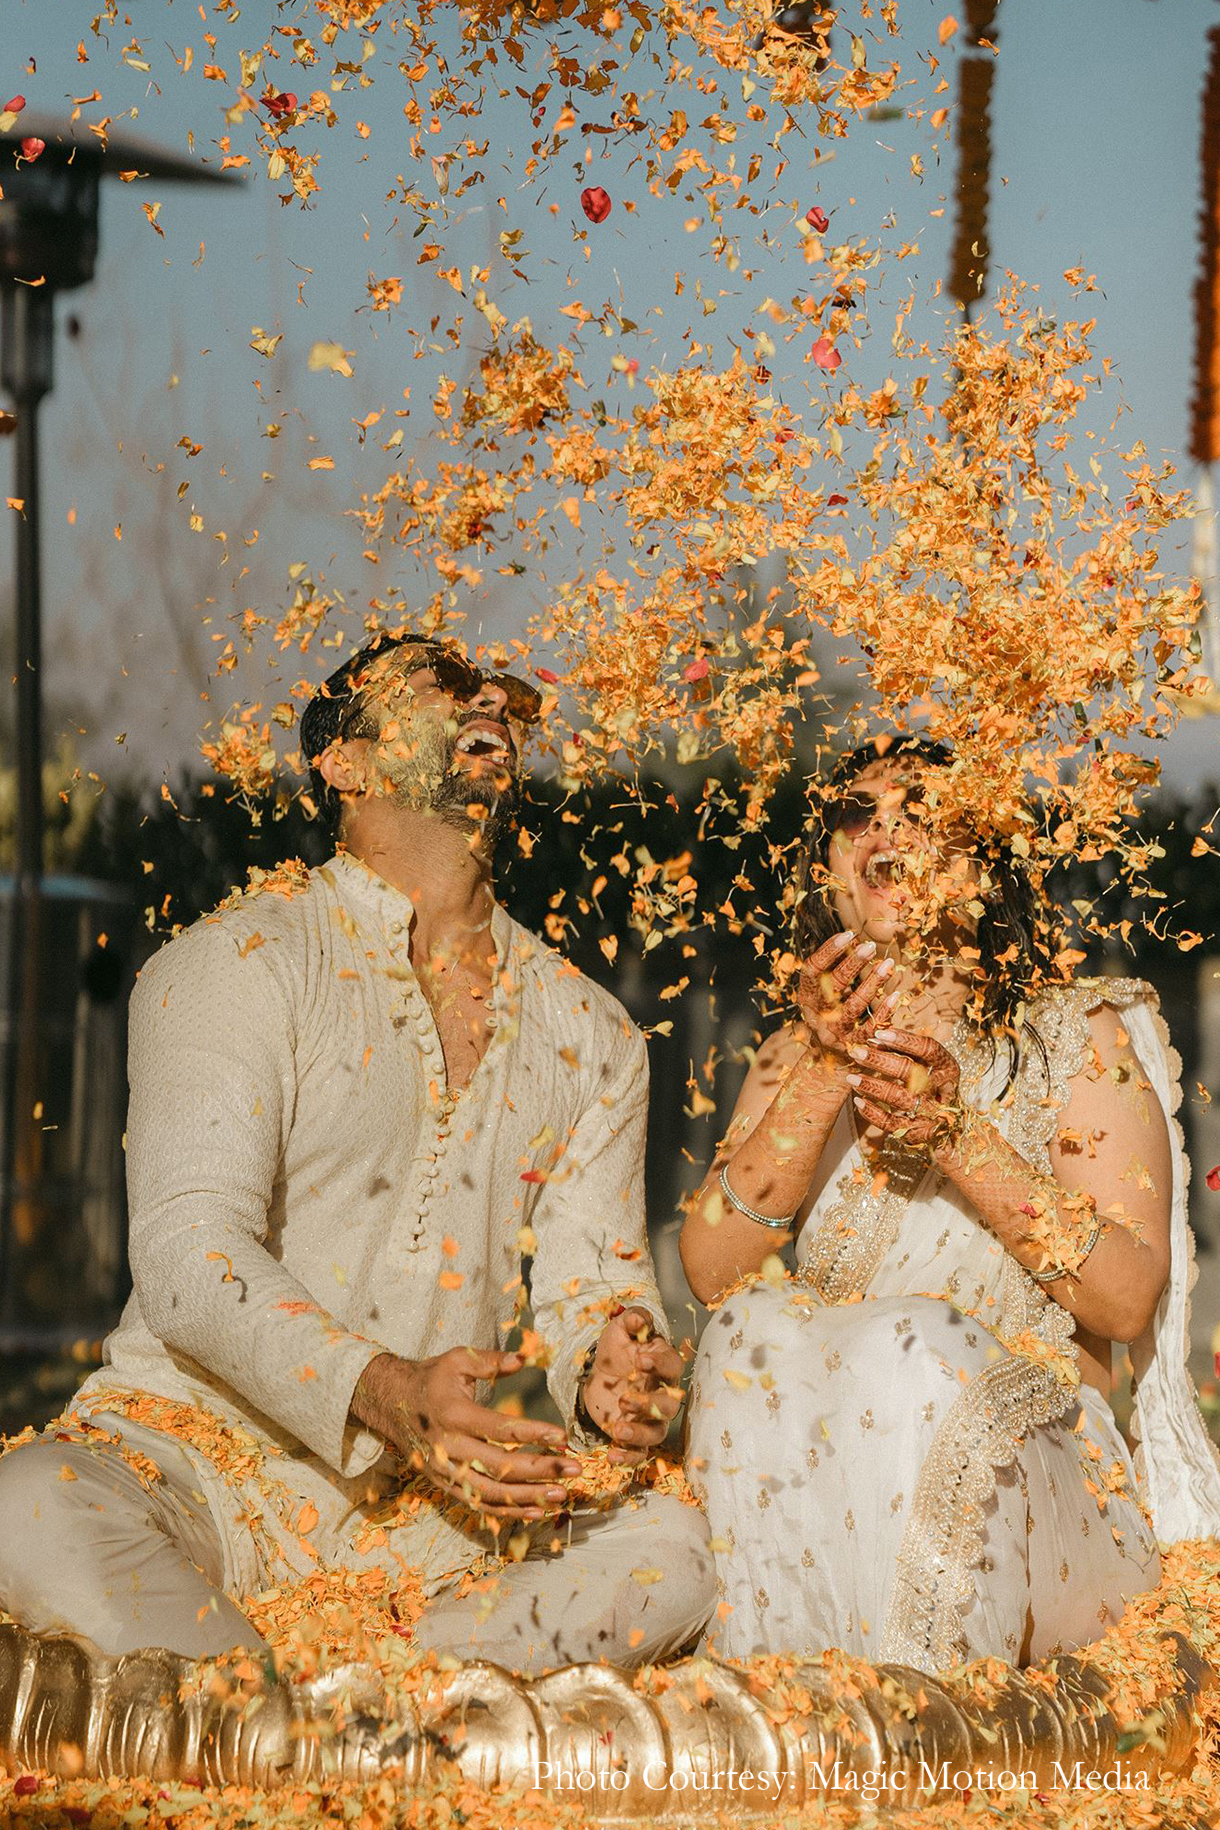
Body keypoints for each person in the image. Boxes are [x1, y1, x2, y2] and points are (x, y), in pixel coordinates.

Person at [0, 631, 713, 1672]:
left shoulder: (591, 1030)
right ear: (347, 763)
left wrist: (610, 1367)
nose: (482, 700)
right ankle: (331, 1711)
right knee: (27, 1503)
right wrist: (383, 1390)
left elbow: (590, 1293)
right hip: (189, 1467)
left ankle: (327, 1711)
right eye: (436, 685)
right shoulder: (236, 959)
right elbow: (188, 1253)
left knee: (669, 1551)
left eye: (492, 693)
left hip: (425, 1523)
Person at [681, 734, 1220, 1674]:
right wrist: (824, 1062)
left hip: (1048, 1497)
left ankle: (925, 1735)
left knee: (913, 1351)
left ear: (981, 861)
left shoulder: (1073, 1036)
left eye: (922, 810)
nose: (886, 826)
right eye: (858, 812)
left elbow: (1128, 1299)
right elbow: (710, 1269)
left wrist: (958, 1140)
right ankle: (795, 1722)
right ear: (833, 876)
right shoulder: (789, 1052)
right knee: (749, 1332)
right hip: (827, 1492)